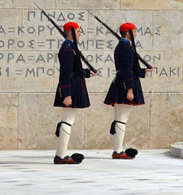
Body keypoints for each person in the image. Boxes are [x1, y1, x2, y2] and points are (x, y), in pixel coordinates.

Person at [104, 22, 153, 159]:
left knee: (121, 118)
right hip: (124, 85)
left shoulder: (125, 46)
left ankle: (118, 149)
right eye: (134, 31)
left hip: (123, 82)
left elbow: (131, 67)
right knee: (121, 119)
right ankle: (118, 151)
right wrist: (130, 89)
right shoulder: (125, 47)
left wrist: (143, 71)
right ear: (128, 33)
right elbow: (126, 70)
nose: (136, 34)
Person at [52, 22, 95, 164]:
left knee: (68, 120)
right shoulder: (67, 49)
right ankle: (61, 155)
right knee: (67, 120)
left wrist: (87, 73)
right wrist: (67, 94)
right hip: (70, 87)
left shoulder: (71, 48)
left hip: (74, 85)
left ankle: (61, 154)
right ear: (70, 32)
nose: (80, 33)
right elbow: (65, 73)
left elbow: (74, 69)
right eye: (77, 31)